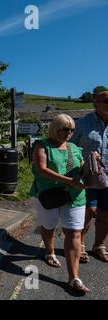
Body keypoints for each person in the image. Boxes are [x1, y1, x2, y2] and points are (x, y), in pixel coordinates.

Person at [30, 113, 89, 293]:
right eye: (66, 129)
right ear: (55, 129)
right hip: (50, 196)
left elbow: (83, 168)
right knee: (49, 228)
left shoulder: (74, 147)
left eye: (72, 130)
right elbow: (41, 169)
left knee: (74, 234)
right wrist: (68, 180)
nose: (69, 133)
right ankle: (50, 251)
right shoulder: (42, 145)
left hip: (75, 196)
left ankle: (74, 278)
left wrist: (93, 164)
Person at [70, 90, 108, 263]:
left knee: (106, 213)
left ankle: (99, 245)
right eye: (106, 101)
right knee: (89, 211)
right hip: (88, 176)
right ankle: (82, 244)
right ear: (95, 104)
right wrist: (76, 171)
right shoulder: (83, 123)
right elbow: (70, 148)